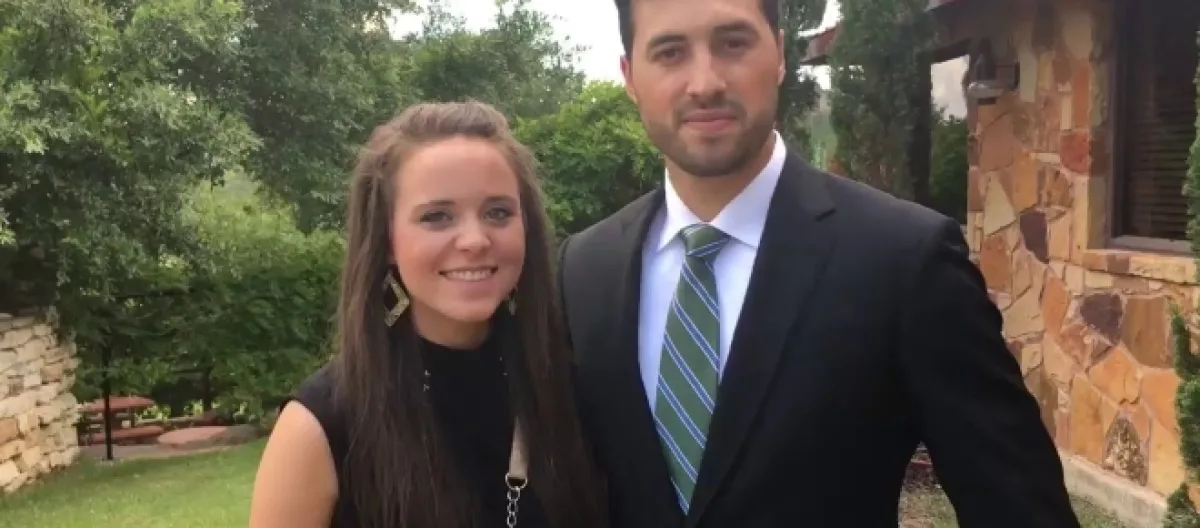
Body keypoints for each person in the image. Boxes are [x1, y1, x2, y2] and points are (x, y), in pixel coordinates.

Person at [555, 0, 1081, 526]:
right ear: (630, 76)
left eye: (733, 43)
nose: (706, 82)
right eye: (670, 52)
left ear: (780, 54)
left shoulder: (904, 261)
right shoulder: (583, 272)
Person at [249, 101, 607, 528]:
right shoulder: (321, 427)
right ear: (386, 241)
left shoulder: (571, 390)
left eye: (498, 212)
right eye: (437, 217)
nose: (474, 240)